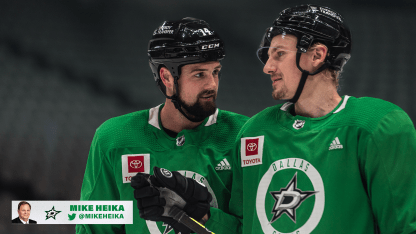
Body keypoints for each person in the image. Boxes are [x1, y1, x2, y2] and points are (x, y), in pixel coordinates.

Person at [133, 5, 416, 234]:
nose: (268, 67)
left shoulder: (377, 125)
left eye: (279, 55)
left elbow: (404, 227)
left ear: (317, 55)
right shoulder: (255, 132)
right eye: (268, 57)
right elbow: (243, 228)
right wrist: (199, 214)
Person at [75, 17, 249, 234]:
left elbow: (258, 228)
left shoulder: (246, 135)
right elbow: (94, 228)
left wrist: (203, 215)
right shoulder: (113, 138)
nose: (212, 84)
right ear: (167, 77)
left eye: (215, 72)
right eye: (199, 74)